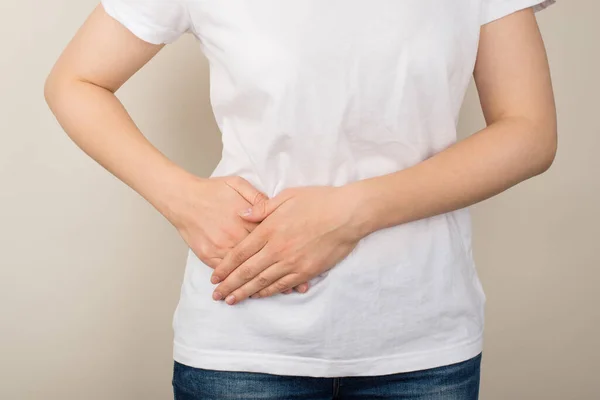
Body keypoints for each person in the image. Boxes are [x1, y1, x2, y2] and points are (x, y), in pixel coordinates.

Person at [44, 1, 557, 399]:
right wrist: (182, 199)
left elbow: (528, 131)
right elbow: (75, 81)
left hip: (421, 343)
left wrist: (351, 213)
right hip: (244, 342)